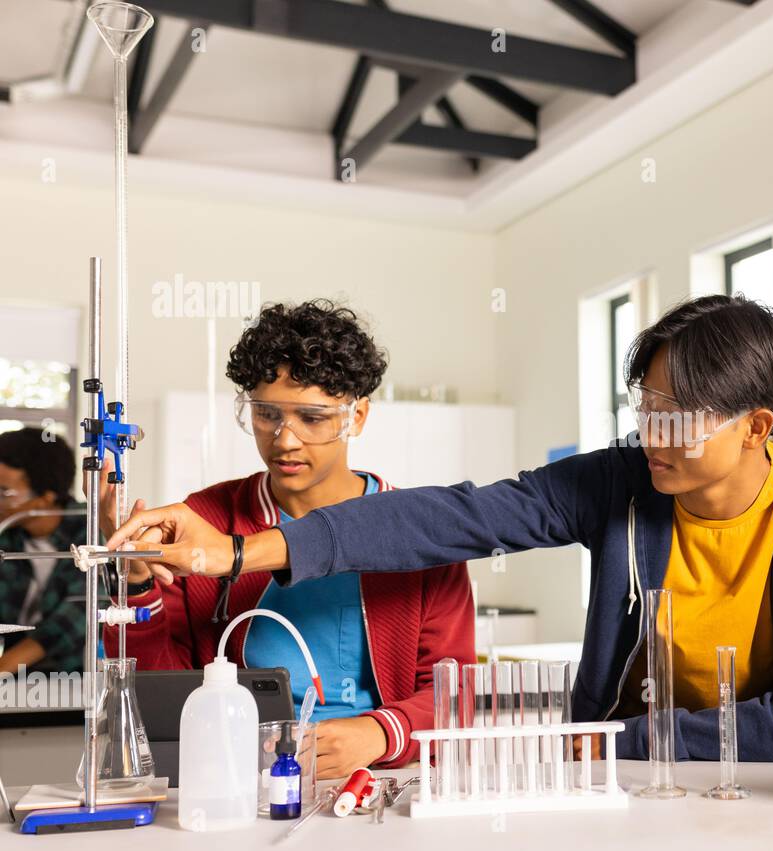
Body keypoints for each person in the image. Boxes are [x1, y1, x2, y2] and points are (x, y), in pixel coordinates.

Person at [110, 295, 773, 761]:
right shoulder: (623, 479)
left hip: (760, 778)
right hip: (630, 776)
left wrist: (602, 739)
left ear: (755, 427)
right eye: (645, 407)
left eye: (674, 417)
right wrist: (239, 550)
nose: (650, 434)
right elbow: (464, 517)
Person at [103, 301, 475, 777]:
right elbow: (159, 691)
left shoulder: (417, 532)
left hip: (381, 774)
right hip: (240, 775)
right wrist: (135, 582)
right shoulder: (207, 519)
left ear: (356, 416)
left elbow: (455, 695)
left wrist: (381, 733)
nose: (284, 440)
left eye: (312, 418)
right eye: (266, 414)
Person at [0, 429, 86, 676]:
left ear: (45, 498)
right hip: (12, 681)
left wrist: (4, 667)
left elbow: (77, 616)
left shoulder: (89, 530)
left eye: (4, 492)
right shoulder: (8, 535)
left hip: (70, 680)